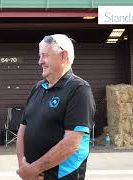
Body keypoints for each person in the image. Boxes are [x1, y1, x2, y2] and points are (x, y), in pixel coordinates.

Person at [16, 34, 96, 180]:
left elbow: (71, 143)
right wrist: (24, 167)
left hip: (62, 176)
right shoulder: (38, 88)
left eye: (44, 56)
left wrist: (34, 169)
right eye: (40, 56)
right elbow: (23, 129)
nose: (40, 61)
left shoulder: (79, 89)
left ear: (63, 56)